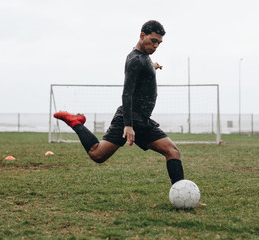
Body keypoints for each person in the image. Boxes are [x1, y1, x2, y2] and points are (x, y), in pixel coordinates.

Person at [54, 20, 184, 185]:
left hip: (142, 120)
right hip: (129, 117)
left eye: (159, 43)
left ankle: (182, 194)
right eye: (153, 41)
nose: (156, 45)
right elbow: (127, 93)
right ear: (142, 35)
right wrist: (128, 125)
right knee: (97, 155)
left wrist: (153, 66)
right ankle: (75, 122)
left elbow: (144, 67)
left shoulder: (144, 59)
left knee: (173, 151)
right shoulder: (136, 60)